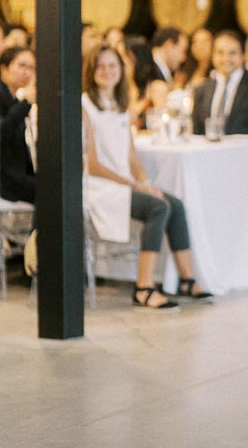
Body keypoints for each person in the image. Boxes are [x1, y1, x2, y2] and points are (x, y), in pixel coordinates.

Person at [82, 45, 212, 309]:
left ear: (121, 70)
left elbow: (130, 155)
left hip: (123, 183)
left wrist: (145, 183)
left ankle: (186, 279)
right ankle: (144, 286)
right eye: (101, 66)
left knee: (174, 203)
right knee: (157, 207)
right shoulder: (85, 106)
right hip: (98, 186)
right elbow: (92, 165)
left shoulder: (120, 105)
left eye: (113, 65)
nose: (107, 71)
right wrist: (135, 186)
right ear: (91, 70)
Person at [191, 30, 248, 177]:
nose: (226, 58)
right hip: (207, 167)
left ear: (243, 55)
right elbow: (195, 133)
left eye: (232, 53)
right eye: (220, 53)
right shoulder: (202, 89)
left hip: (243, 168)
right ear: (213, 55)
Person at [0, 44, 36, 202]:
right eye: (22, 65)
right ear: (4, 68)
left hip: (12, 175)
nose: (27, 72)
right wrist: (25, 103)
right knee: (51, 190)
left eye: (32, 68)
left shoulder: (12, 97)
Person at [135, 27, 186, 110]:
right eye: (182, 51)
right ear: (169, 45)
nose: (183, 58)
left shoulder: (163, 71)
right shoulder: (147, 70)